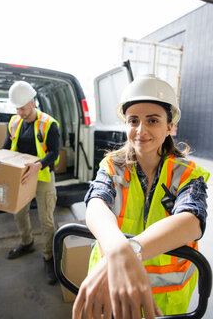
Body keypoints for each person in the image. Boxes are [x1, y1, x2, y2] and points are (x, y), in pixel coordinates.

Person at [73, 74, 209, 318]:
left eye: (153, 121)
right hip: (112, 289)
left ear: (170, 127)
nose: (140, 130)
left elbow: (192, 221)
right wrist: (116, 253)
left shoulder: (188, 174)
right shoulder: (112, 166)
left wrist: (129, 251)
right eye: (133, 120)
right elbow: (96, 204)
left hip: (164, 301)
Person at [2, 81, 60, 285]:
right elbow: (7, 147)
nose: (20, 112)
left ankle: (48, 257)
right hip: (22, 176)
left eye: (24, 108)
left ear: (33, 103)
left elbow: (54, 152)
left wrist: (39, 165)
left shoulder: (49, 124)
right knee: (18, 212)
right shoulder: (14, 122)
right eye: (17, 108)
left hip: (43, 176)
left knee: (46, 220)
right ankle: (27, 243)